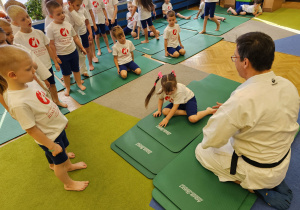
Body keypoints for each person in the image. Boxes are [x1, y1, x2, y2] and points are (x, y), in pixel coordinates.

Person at [195, 32, 299, 209]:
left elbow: (210, 139)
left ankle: (255, 188)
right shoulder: (288, 85)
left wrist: (225, 115)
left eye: (235, 57)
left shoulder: (241, 99)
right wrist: (230, 113)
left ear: (245, 62)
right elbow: (268, 112)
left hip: (257, 171)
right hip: (282, 163)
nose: (234, 60)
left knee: (200, 151)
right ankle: (270, 180)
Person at [0, 45, 89, 191]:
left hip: (55, 127)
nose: (34, 71)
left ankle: (68, 165)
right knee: (58, 163)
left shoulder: (27, 82)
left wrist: (61, 120)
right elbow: (31, 130)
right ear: (12, 75)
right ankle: (68, 183)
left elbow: (46, 104)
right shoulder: (18, 103)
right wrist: (52, 146)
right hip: (49, 136)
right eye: (28, 69)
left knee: (63, 150)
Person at [9, 6, 67, 108]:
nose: (28, 20)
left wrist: (55, 61)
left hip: (47, 65)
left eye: (27, 16)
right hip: (34, 70)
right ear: (16, 23)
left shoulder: (39, 33)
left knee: (52, 84)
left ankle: (57, 100)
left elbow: (48, 47)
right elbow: (22, 57)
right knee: (42, 88)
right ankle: (48, 105)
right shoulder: (18, 38)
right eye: (23, 19)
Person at [145, 70, 216, 127]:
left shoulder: (179, 92)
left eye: (171, 91)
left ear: (175, 85)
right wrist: (159, 110)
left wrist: (166, 119)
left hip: (188, 100)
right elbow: (160, 99)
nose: (169, 93)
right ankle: (187, 113)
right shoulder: (162, 90)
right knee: (164, 111)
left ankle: (208, 111)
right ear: (163, 88)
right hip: (178, 102)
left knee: (193, 119)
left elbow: (175, 108)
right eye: (167, 91)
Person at [45, 1, 87, 96]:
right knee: (66, 73)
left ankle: (79, 83)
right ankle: (68, 87)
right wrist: (55, 58)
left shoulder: (67, 24)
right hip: (62, 55)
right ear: (51, 16)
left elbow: (75, 37)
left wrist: (81, 47)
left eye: (62, 12)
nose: (62, 15)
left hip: (73, 51)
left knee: (76, 69)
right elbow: (51, 45)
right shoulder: (50, 28)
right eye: (58, 14)